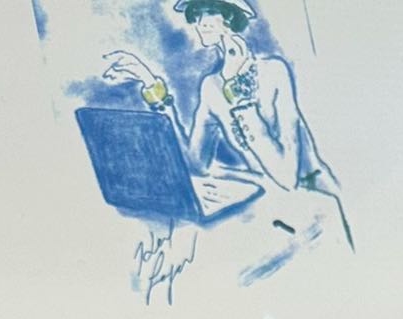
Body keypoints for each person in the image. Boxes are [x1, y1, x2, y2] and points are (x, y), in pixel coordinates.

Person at [102, 0, 350, 243]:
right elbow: (196, 163)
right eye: (195, 15)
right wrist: (152, 85)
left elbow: (286, 177)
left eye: (209, 11)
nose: (200, 23)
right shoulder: (211, 86)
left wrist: (238, 95)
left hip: (316, 203)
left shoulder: (274, 71)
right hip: (271, 206)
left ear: (230, 17)